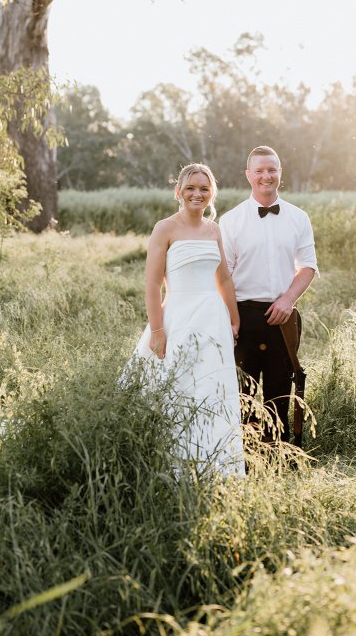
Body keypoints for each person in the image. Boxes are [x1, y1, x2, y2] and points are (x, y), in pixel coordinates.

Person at [128, 163, 245, 476]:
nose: (197, 194)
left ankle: (215, 466)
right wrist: (157, 330)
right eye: (191, 188)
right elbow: (153, 283)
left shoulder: (214, 230)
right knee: (175, 388)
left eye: (204, 189)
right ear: (178, 192)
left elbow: (224, 280)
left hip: (213, 322)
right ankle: (170, 465)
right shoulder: (165, 229)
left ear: (211, 194)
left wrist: (234, 321)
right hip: (178, 317)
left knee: (211, 389)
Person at [220, 146, 318, 442]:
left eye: (272, 170)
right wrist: (231, 320)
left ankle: (279, 455)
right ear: (249, 175)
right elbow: (223, 275)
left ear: (280, 174)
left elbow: (308, 267)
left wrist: (288, 300)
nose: (266, 176)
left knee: (280, 393)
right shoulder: (230, 221)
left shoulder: (299, 218)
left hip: (283, 316)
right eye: (259, 170)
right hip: (241, 316)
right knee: (243, 395)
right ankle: (246, 459)